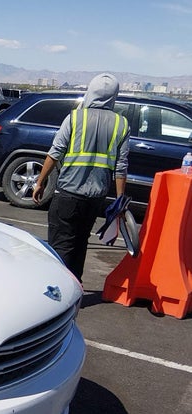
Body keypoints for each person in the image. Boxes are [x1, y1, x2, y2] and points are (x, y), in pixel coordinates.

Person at [32, 73, 130, 282]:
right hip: (95, 197)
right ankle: (75, 287)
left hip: (69, 193)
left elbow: (55, 152)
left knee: (61, 245)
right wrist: (120, 200)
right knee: (80, 243)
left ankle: (58, 290)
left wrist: (40, 182)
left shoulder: (76, 117)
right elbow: (121, 167)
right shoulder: (121, 124)